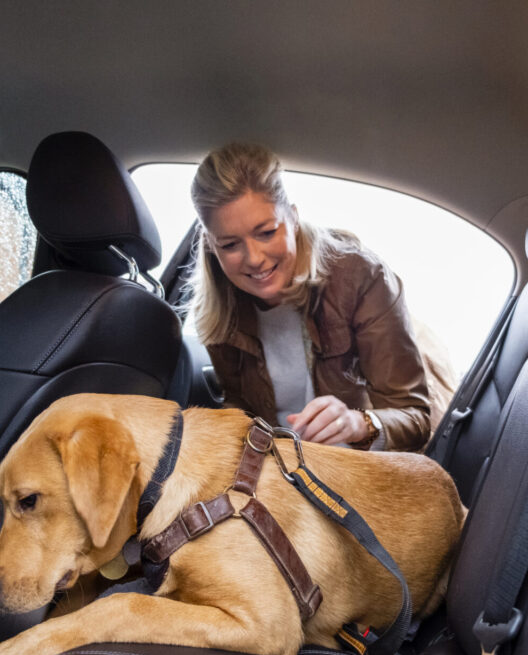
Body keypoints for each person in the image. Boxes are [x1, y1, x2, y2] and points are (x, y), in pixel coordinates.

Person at [186, 141, 434, 452]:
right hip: (277, 474)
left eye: (266, 232)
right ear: (211, 243)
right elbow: (240, 406)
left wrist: (358, 424)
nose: (254, 258)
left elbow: (415, 419)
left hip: (360, 469)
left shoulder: (360, 276)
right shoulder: (217, 311)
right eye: (230, 245)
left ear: (292, 217)